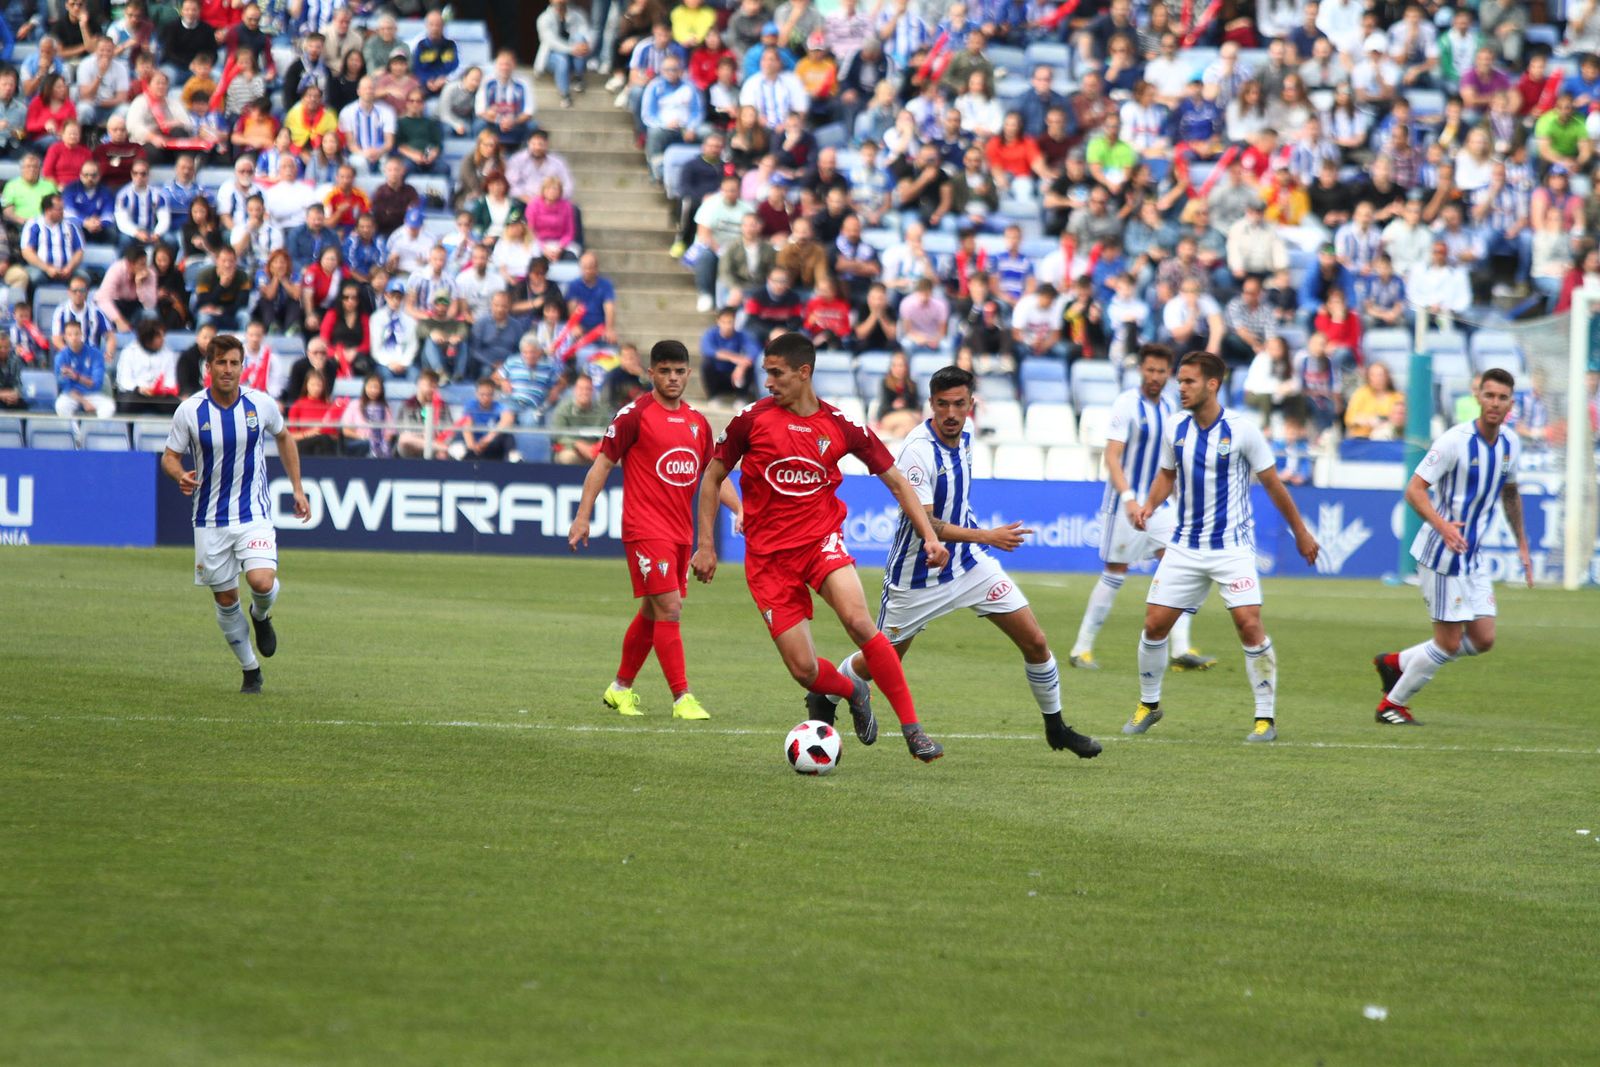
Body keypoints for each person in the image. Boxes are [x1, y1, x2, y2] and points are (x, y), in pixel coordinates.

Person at [806, 365, 1101, 756]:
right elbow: (925, 520)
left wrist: (978, 541)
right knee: (881, 661)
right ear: (931, 404)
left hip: (969, 564)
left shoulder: (967, 434)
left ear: (970, 405)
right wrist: (987, 535)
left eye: (958, 404)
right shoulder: (917, 451)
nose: (950, 412)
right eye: (942, 404)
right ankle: (826, 694)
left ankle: (1056, 728)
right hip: (917, 575)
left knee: (1035, 641)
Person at [692, 331, 950, 762]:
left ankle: (914, 730)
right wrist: (705, 545)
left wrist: (929, 535)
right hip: (769, 560)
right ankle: (853, 690)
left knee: (859, 621)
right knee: (804, 670)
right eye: (766, 374)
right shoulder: (750, 420)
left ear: (804, 372)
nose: (769, 382)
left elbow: (896, 481)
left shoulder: (840, 425)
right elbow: (712, 477)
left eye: (777, 374)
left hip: (820, 543)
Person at [1125, 351, 1320, 743]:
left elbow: (1274, 485)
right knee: (1154, 625)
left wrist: (1301, 531)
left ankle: (1265, 718)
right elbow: (1166, 474)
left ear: (1212, 384)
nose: (1179, 388)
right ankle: (1149, 704)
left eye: (1188, 382)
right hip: (1184, 546)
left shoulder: (1242, 430)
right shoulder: (1175, 428)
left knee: (1248, 623)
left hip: (1232, 547)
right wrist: (1149, 505)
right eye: (1179, 381)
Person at [569, 340, 733, 720]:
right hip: (645, 529)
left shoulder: (697, 422)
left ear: (689, 374)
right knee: (670, 609)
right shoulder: (634, 415)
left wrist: (740, 510)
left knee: (652, 611)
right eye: (665, 371)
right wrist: (583, 516)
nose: (673, 378)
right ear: (651, 374)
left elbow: (714, 476)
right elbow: (602, 464)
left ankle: (619, 689)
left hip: (680, 533)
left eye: (679, 372)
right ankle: (682, 698)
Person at [1373, 369, 1531, 725]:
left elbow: (1510, 493)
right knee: (1446, 643)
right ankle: (1392, 705)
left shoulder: (1510, 443)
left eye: (1502, 397)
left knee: (1483, 638)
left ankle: (1396, 663)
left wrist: (1522, 544)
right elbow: (1414, 490)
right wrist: (1443, 526)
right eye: (1489, 395)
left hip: (1472, 557)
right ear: (1478, 397)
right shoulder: (1454, 441)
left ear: (1511, 403)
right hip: (1442, 555)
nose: (1494, 403)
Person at [162, 333, 309, 694]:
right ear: (208, 367)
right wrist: (179, 474)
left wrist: (298, 488)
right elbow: (169, 456)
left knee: (261, 581)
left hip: (253, 514)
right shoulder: (190, 411)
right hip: (210, 520)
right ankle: (250, 670)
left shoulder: (260, 404)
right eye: (221, 363)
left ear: (243, 366)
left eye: (234, 363)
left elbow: (285, 437)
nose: (228, 370)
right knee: (226, 600)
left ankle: (261, 615)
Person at [1069, 344, 1218, 672]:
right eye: (1149, 370)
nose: (1154, 377)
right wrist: (1129, 500)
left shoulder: (1170, 409)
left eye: (1161, 372)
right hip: (1125, 503)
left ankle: (1180, 650)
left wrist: (1182, 501)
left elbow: (1171, 465)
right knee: (1115, 573)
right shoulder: (1126, 403)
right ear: (1141, 371)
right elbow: (1112, 456)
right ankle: (1082, 648)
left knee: (1183, 566)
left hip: (1160, 506)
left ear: (1169, 375)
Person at [114, 317, 178, 414]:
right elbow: (124, 380)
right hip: (136, 393)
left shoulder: (168, 353)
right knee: (126, 404)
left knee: (176, 405)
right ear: (148, 338)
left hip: (159, 395)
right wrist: (139, 388)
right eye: (159, 336)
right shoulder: (129, 352)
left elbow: (171, 379)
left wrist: (160, 389)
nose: (162, 339)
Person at [53, 319, 113, 419]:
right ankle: (74, 432)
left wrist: (76, 377)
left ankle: (96, 431)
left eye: (76, 334)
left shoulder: (95, 354)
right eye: (70, 335)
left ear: (82, 334)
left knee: (109, 407)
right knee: (61, 406)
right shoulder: (61, 357)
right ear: (65, 337)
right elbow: (65, 387)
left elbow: (96, 384)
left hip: (92, 394)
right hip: (72, 396)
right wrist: (84, 402)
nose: (74, 338)